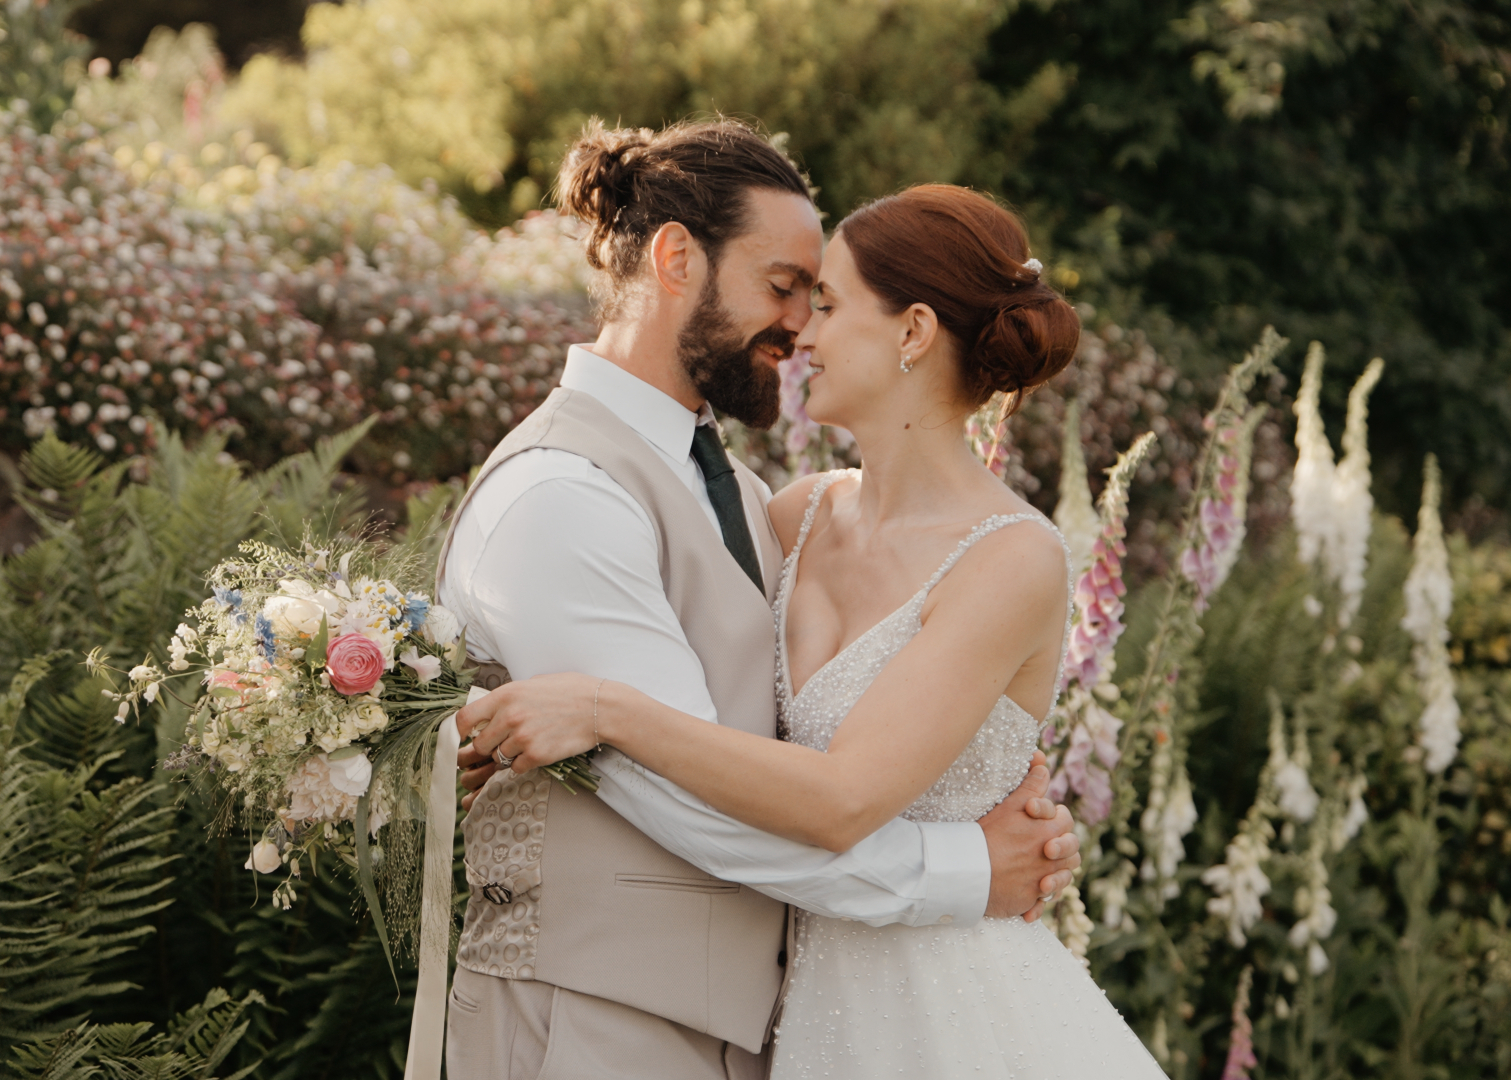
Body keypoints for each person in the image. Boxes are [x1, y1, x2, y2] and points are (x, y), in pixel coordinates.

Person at [457, 182, 1172, 1078]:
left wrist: (605, 709)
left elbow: (839, 797)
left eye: (827, 304)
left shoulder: (1014, 558)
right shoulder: (791, 515)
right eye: (798, 296)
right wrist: (479, 726)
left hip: (953, 1013)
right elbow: (682, 668)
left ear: (912, 333)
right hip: (797, 1015)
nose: (804, 333)